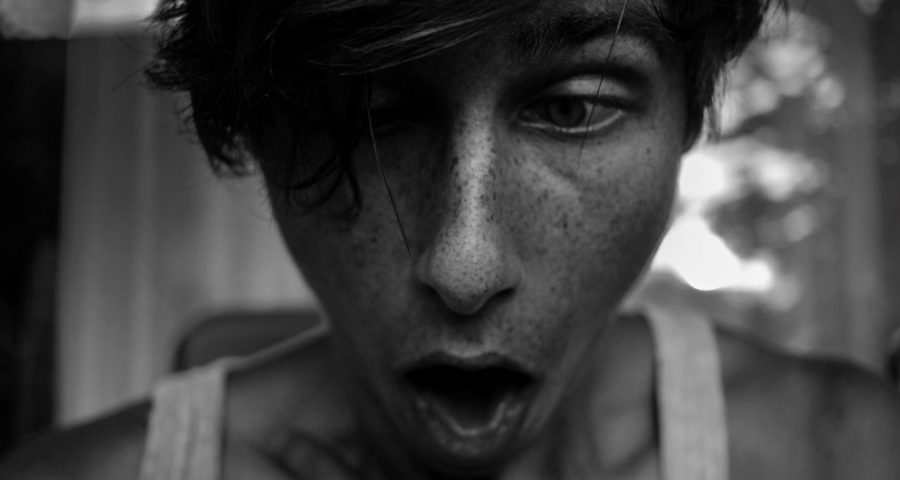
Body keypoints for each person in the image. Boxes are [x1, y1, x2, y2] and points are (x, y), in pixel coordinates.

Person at [3, 0, 900, 478]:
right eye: (369, 117)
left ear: (687, 113)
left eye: (573, 108)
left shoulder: (846, 454)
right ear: (262, 137)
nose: (464, 268)